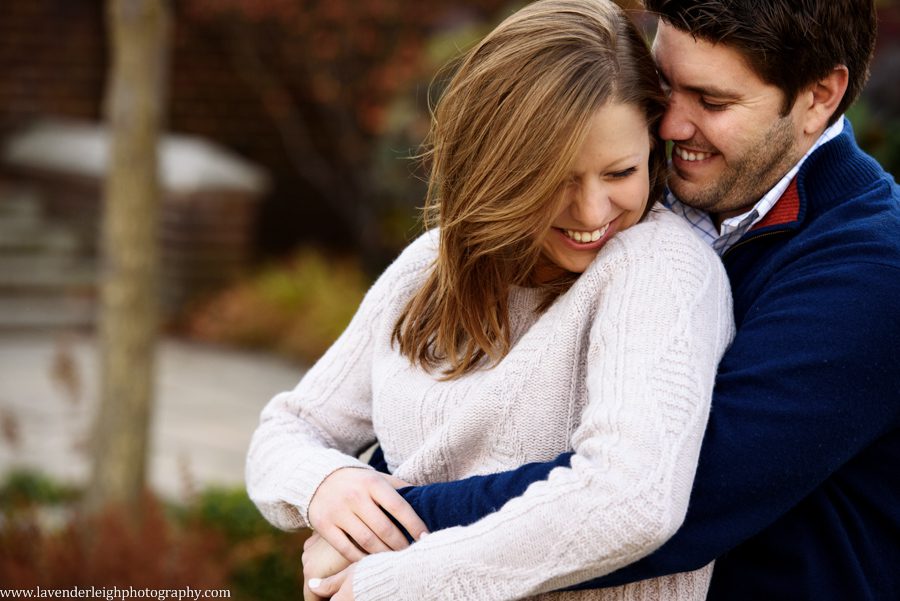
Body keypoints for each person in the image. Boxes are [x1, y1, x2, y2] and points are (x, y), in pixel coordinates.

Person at [306, 0, 900, 599]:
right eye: (666, 86)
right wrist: (338, 486)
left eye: (713, 102)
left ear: (821, 94)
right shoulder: (640, 200)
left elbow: (677, 493)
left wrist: (390, 523)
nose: (668, 125)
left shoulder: (872, 271)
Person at [245, 0, 735, 599]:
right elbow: (289, 427)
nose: (590, 213)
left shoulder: (658, 265)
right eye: (554, 178)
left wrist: (392, 583)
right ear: (499, 167)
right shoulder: (433, 263)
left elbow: (632, 498)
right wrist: (325, 483)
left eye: (619, 172)